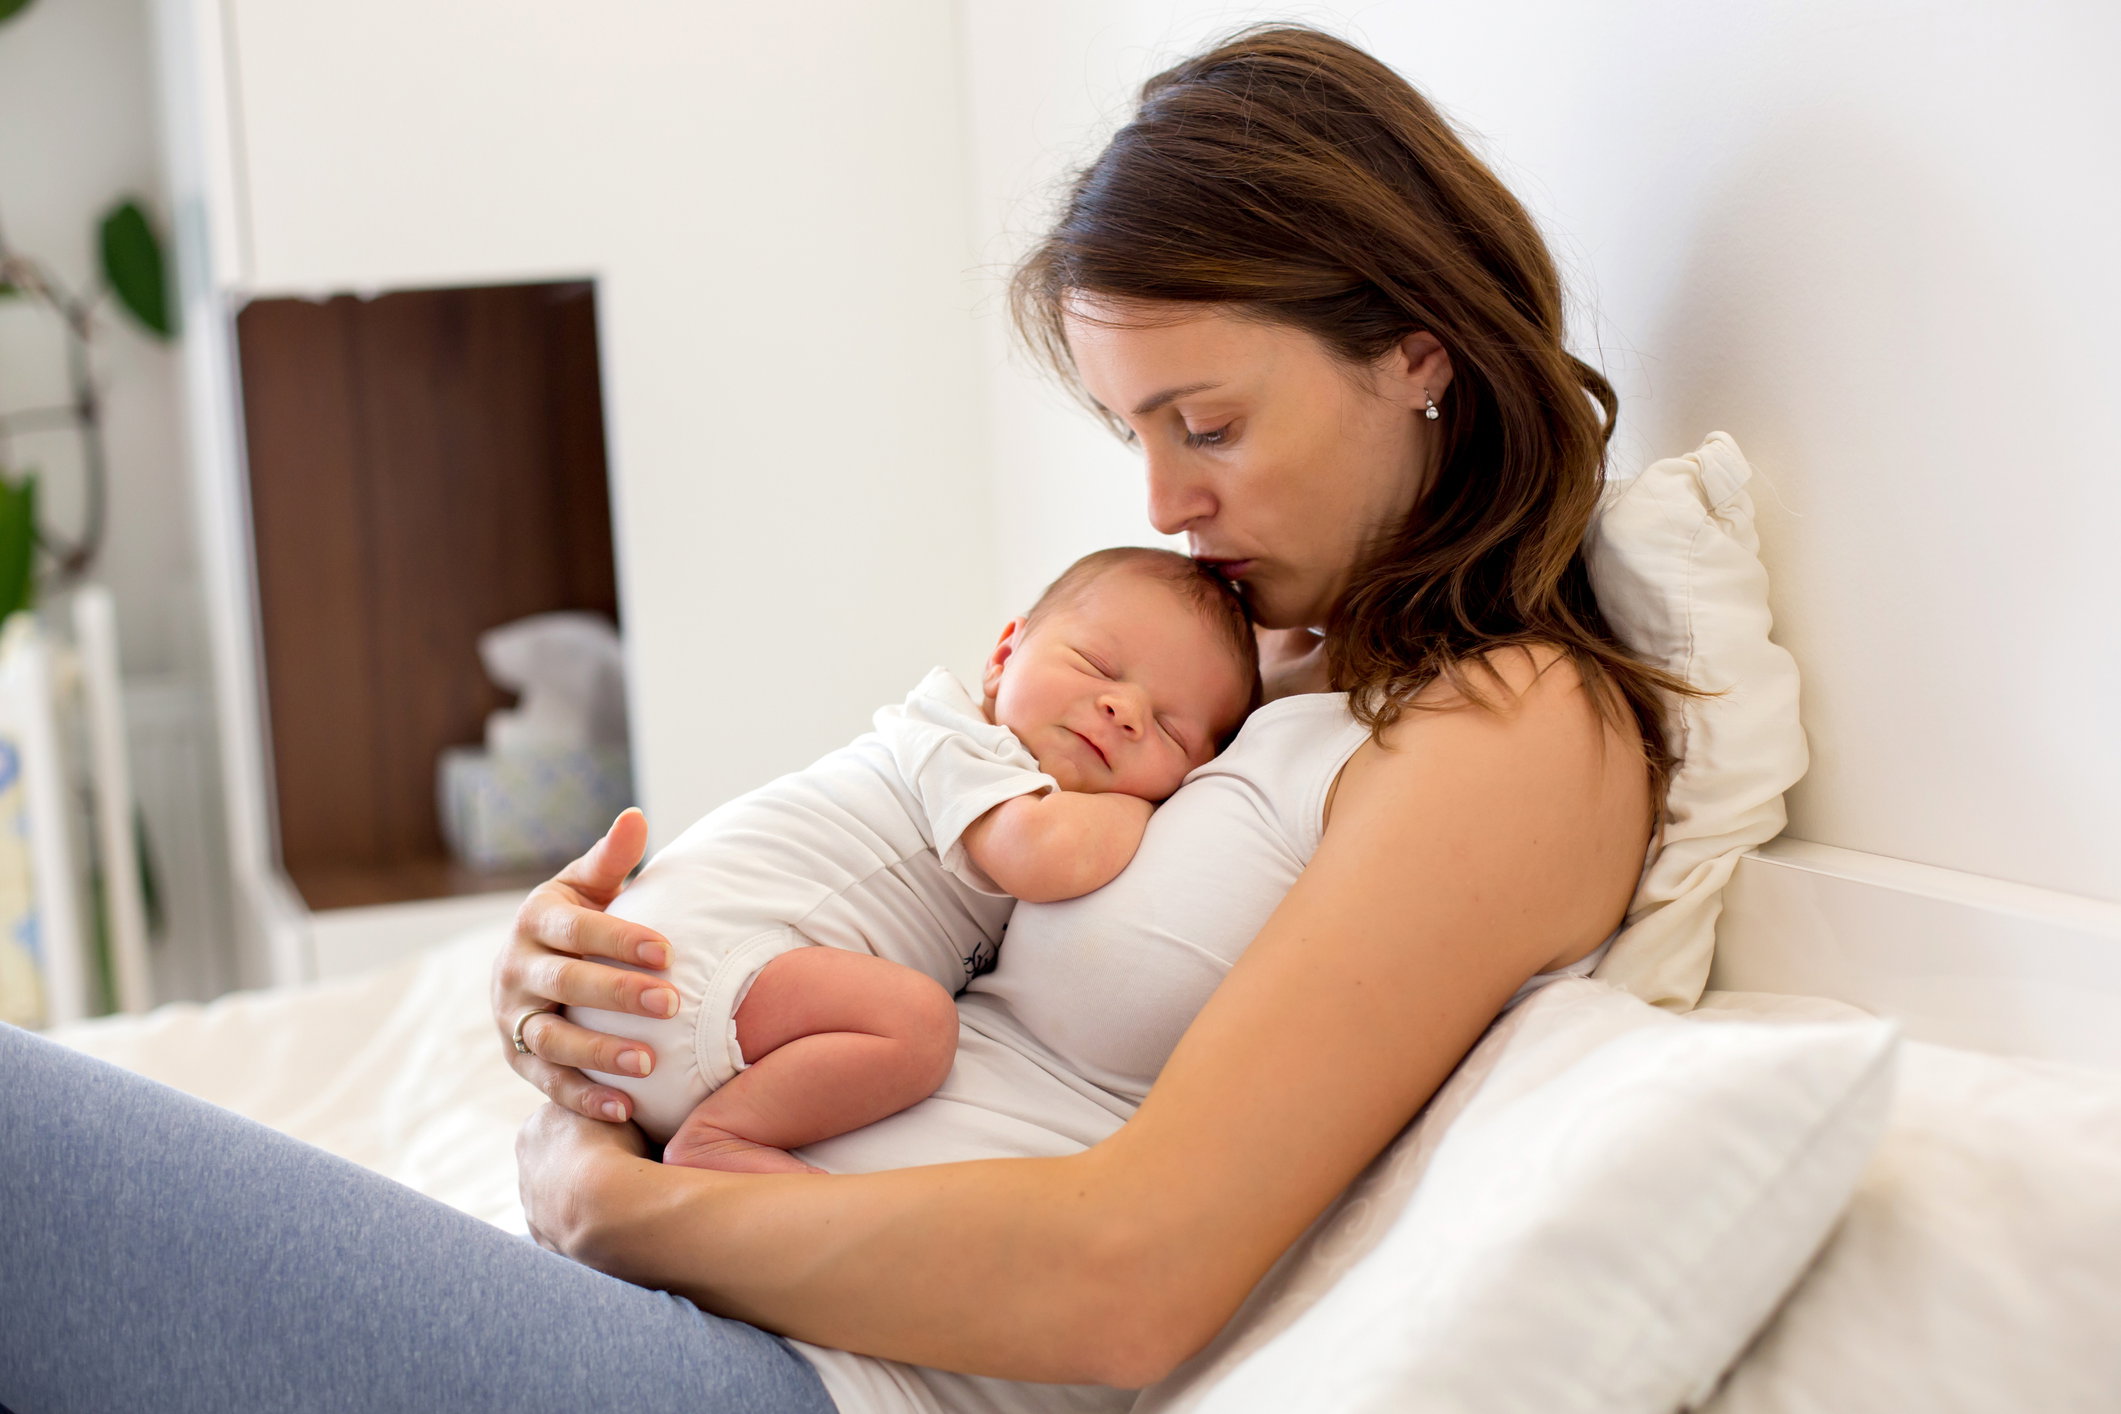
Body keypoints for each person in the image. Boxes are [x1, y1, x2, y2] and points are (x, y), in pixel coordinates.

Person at [0, 23, 1705, 1414]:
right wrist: (596, 996)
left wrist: (638, 1207)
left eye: (1206, 420)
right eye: (1133, 436)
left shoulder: (1519, 727)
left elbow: (1137, 1267)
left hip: (802, 1369)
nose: (1170, 501)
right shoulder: (1248, 674)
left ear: (1419, 350)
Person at [562, 546, 1259, 1176]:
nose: (1123, 709)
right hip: (689, 971)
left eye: (1171, 728)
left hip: (689, 1014)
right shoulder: (957, 739)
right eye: (1097, 666)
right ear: (1002, 655)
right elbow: (1042, 858)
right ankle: (720, 1140)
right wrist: (1142, 803)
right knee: (921, 1027)